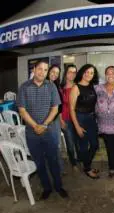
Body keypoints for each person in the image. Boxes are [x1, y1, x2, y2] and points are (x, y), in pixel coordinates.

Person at [17, 60, 68, 200]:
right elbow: (22, 110)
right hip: (31, 133)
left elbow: (55, 108)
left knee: (53, 160)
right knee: (39, 162)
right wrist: (35, 126)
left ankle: (58, 186)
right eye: (40, 69)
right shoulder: (24, 87)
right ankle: (46, 188)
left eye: (45, 70)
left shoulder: (51, 86)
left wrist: (44, 125)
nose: (42, 72)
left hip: (49, 130)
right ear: (34, 69)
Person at [69, 64, 100, 179]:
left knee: (95, 145)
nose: (88, 74)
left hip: (91, 118)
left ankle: (86, 164)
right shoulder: (75, 87)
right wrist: (77, 126)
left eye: (91, 73)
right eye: (86, 72)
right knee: (83, 146)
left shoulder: (93, 86)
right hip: (80, 118)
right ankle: (87, 168)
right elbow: (72, 109)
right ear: (82, 72)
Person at [60, 64, 79, 171]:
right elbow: (58, 106)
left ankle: (80, 159)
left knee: (78, 142)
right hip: (66, 119)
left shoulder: (78, 86)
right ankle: (73, 163)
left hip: (77, 119)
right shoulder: (61, 89)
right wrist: (60, 120)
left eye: (74, 72)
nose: (72, 74)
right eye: (69, 72)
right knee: (70, 143)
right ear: (65, 73)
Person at [46, 65, 64, 173]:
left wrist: (60, 119)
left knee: (57, 144)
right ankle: (54, 168)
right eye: (53, 71)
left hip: (55, 119)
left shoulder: (55, 85)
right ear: (48, 72)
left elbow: (59, 105)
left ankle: (59, 168)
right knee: (51, 144)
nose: (54, 74)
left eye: (57, 73)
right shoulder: (43, 85)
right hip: (47, 120)